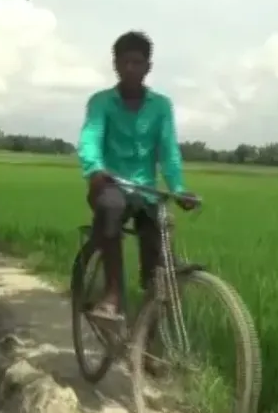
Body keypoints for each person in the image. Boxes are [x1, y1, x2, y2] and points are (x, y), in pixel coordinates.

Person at [77, 31, 198, 324]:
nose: (131, 68)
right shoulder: (101, 102)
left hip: (145, 191)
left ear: (148, 67)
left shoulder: (161, 106)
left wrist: (179, 188)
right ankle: (112, 295)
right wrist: (95, 169)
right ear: (116, 65)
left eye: (137, 62)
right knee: (112, 208)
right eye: (125, 62)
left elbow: (168, 150)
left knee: (158, 258)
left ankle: (146, 335)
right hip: (109, 184)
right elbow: (90, 138)